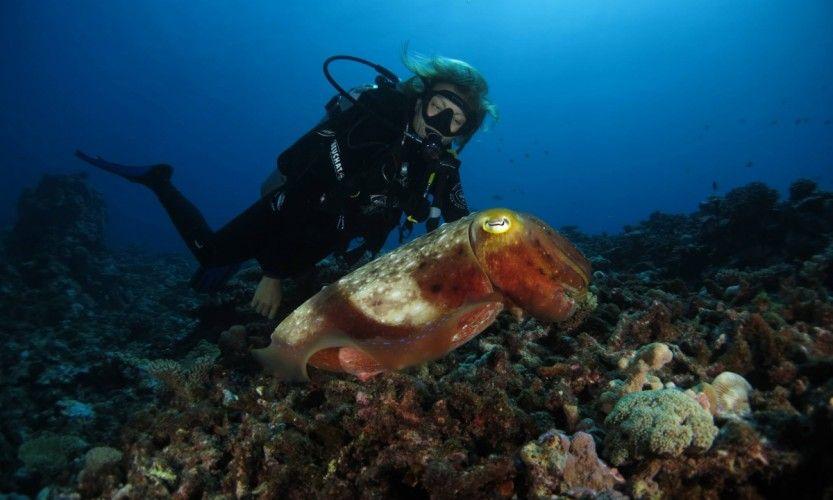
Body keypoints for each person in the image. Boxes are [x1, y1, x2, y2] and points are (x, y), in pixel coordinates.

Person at [76, 51, 497, 319]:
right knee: (209, 253)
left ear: (462, 132)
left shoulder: (440, 164)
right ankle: (159, 182)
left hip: (327, 237)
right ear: (421, 100)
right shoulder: (374, 124)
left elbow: (458, 226)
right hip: (294, 206)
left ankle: (259, 261)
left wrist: (483, 281)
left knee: (291, 275)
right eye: (438, 108)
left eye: (454, 121)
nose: (440, 125)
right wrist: (272, 273)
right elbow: (303, 181)